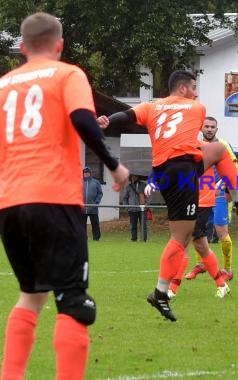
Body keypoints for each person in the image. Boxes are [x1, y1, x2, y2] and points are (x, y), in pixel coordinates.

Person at [0, 12, 129, 380]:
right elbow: (83, 119)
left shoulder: (4, 85)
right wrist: (114, 164)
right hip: (54, 197)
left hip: (10, 203)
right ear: (59, 45)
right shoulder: (68, 74)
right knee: (74, 303)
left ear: (22, 48)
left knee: (31, 295)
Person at [98, 70, 238, 322]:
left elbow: (127, 116)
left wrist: (107, 121)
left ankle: (162, 291)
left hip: (164, 169)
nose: (197, 92)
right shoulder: (196, 107)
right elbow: (187, 136)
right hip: (182, 166)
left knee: (218, 151)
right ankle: (161, 292)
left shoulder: (150, 106)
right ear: (183, 89)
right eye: (194, 87)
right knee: (181, 237)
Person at [168, 140, 231, 299]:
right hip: (185, 200)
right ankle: (222, 285)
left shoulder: (208, 148)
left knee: (182, 242)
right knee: (201, 246)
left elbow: (230, 168)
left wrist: (225, 186)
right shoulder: (177, 146)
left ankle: (172, 288)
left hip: (202, 201)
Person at [186, 116, 238, 281]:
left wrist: (220, 184)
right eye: (206, 126)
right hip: (200, 196)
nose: (209, 129)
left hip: (220, 196)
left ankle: (228, 269)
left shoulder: (222, 146)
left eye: (212, 127)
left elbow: (235, 168)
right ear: (201, 128)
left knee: (221, 232)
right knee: (197, 231)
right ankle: (200, 264)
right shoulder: (196, 145)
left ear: (217, 129)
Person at [123, 174, 148, 242]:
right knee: (133, 225)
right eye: (132, 177)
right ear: (130, 178)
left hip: (142, 209)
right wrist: (127, 207)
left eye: (135, 176)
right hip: (132, 209)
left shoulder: (143, 185)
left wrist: (146, 205)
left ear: (138, 177)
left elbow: (148, 196)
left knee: (143, 225)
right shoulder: (128, 187)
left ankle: (144, 239)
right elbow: (125, 198)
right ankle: (134, 239)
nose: (134, 178)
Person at [82, 166, 103, 241]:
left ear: (90, 173)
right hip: (82, 208)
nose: (86, 174)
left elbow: (100, 193)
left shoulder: (96, 182)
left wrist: (96, 202)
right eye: (84, 172)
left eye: (87, 172)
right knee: (82, 225)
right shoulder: (79, 182)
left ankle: (96, 237)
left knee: (95, 224)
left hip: (93, 207)